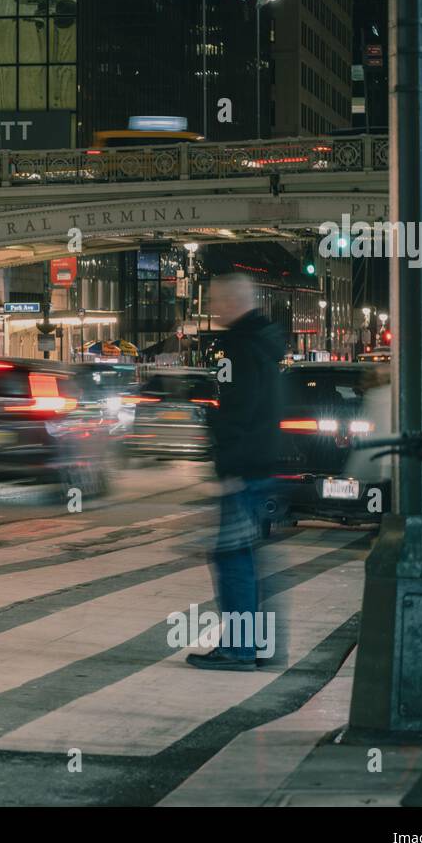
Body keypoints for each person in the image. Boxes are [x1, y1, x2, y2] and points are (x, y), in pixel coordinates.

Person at [187, 273, 286, 672]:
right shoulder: (265, 344)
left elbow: (235, 411)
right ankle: (257, 645)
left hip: (243, 470)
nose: (212, 307)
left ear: (232, 301)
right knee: (249, 558)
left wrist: (227, 465)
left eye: (214, 300)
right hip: (263, 464)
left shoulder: (237, 347)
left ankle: (240, 649)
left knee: (232, 558)